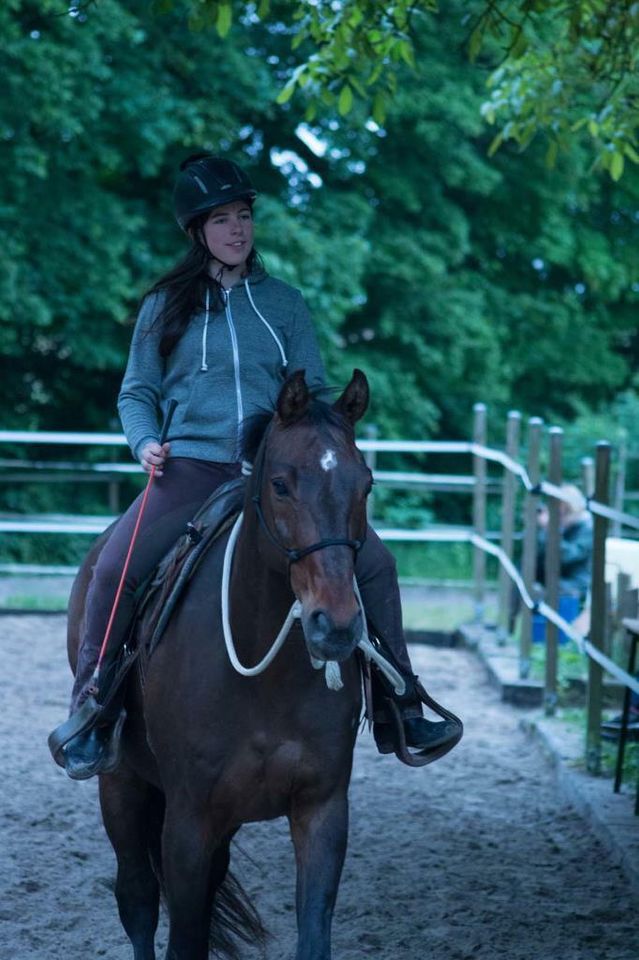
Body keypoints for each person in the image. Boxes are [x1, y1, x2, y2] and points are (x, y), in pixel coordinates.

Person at [58, 154, 461, 779]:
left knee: (375, 562)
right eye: (222, 219)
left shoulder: (285, 304)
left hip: (276, 478)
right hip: (188, 468)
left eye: (243, 216)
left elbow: (317, 392)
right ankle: (92, 707)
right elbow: (137, 390)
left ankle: (402, 701)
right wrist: (143, 442)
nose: (237, 230)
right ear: (198, 231)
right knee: (113, 568)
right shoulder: (166, 305)